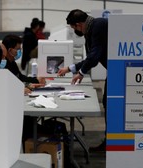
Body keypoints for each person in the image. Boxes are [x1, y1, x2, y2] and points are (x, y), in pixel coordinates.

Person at [57, 9, 108, 152]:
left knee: (110, 104)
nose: (74, 31)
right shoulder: (92, 28)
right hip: (116, 70)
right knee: (107, 102)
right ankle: (109, 142)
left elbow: (95, 56)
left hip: (121, 70)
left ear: (79, 24)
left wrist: (80, 73)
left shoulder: (98, 26)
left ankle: (111, 143)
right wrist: (70, 68)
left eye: (74, 28)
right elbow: (91, 57)